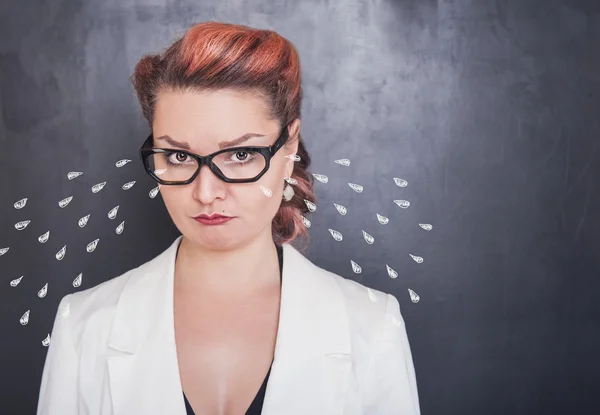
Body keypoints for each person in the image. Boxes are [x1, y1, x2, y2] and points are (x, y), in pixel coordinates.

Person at [36, 21, 420, 415]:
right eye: (179, 156)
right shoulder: (81, 326)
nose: (206, 193)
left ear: (287, 150)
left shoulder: (374, 326)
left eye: (240, 155)